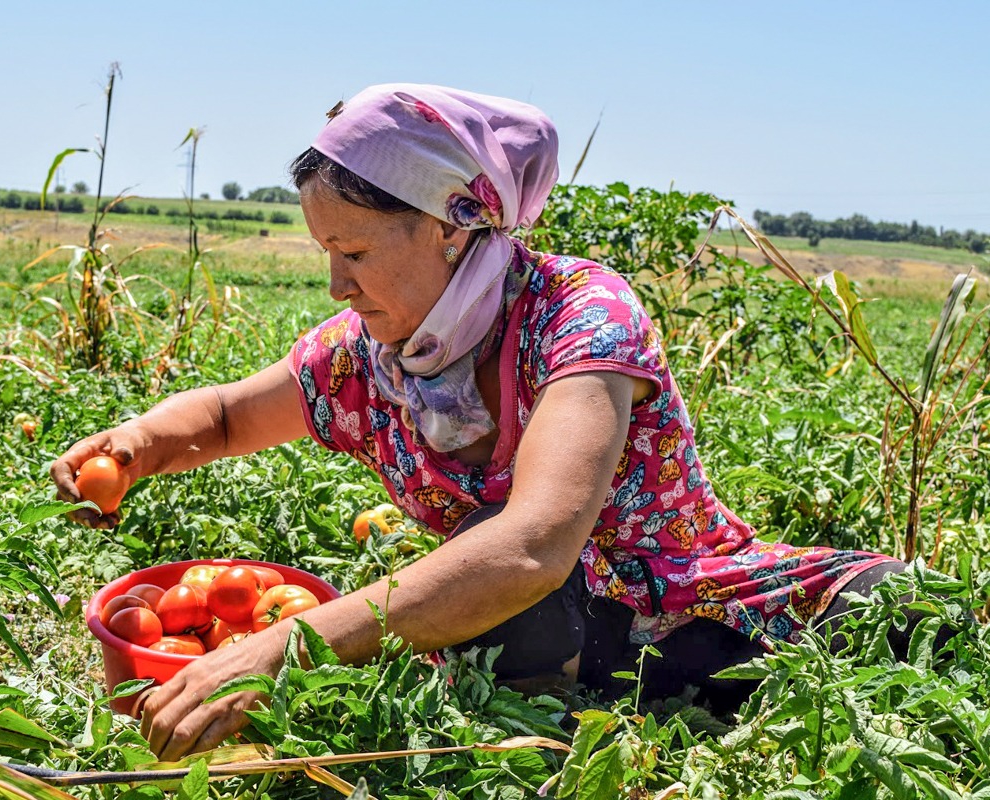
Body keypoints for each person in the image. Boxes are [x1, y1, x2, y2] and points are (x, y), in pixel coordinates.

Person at [52, 83, 903, 761]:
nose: (336, 288)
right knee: (500, 596)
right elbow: (233, 414)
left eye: (355, 253)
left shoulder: (582, 315)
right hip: (538, 634)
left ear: (452, 229)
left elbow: (532, 545)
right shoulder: (366, 356)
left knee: (901, 615)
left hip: (692, 604)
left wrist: (282, 650)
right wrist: (134, 444)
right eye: (326, 255)